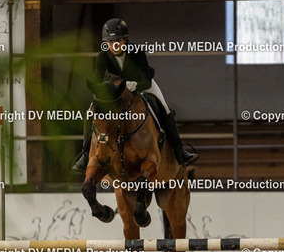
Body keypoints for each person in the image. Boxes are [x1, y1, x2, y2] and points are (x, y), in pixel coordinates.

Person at [72, 18, 198, 173]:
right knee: (90, 112)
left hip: (142, 84)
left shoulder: (137, 52)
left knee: (164, 108)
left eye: (117, 41)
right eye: (110, 42)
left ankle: (180, 150)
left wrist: (135, 85)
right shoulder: (103, 56)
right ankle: (85, 155)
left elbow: (146, 79)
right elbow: (97, 81)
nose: (114, 45)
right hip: (116, 90)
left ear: (125, 40)